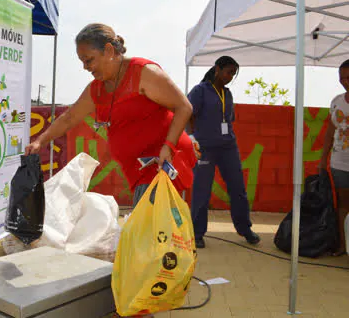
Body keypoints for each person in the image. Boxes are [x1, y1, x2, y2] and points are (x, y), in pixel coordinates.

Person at [25, 23, 197, 208]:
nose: (85, 67)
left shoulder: (143, 73)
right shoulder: (97, 88)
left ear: (108, 50)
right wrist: (40, 141)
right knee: (150, 230)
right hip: (138, 171)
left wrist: (168, 147)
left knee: (152, 231)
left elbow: (183, 107)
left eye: (89, 60)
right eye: (82, 61)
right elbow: (69, 118)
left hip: (162, 163)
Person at [187, 56, 260, 249]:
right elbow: (187, 114)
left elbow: (229, 119)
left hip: (228, 147)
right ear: (217, 69)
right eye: (228, 72)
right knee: (202, 190)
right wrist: (192, 137)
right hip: (205, 147)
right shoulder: (200, 91)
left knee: (238, 189)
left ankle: (245, 229)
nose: (229, 77)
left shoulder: (227, 94)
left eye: (233, 74)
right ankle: (197, 232)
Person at [319, 59, 349, 256]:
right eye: (342, 78)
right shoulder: (337, 101)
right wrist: (323, 159)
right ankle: (344, 246)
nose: (345, 81)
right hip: (340, 163)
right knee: (343, 207)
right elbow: (330, 132)